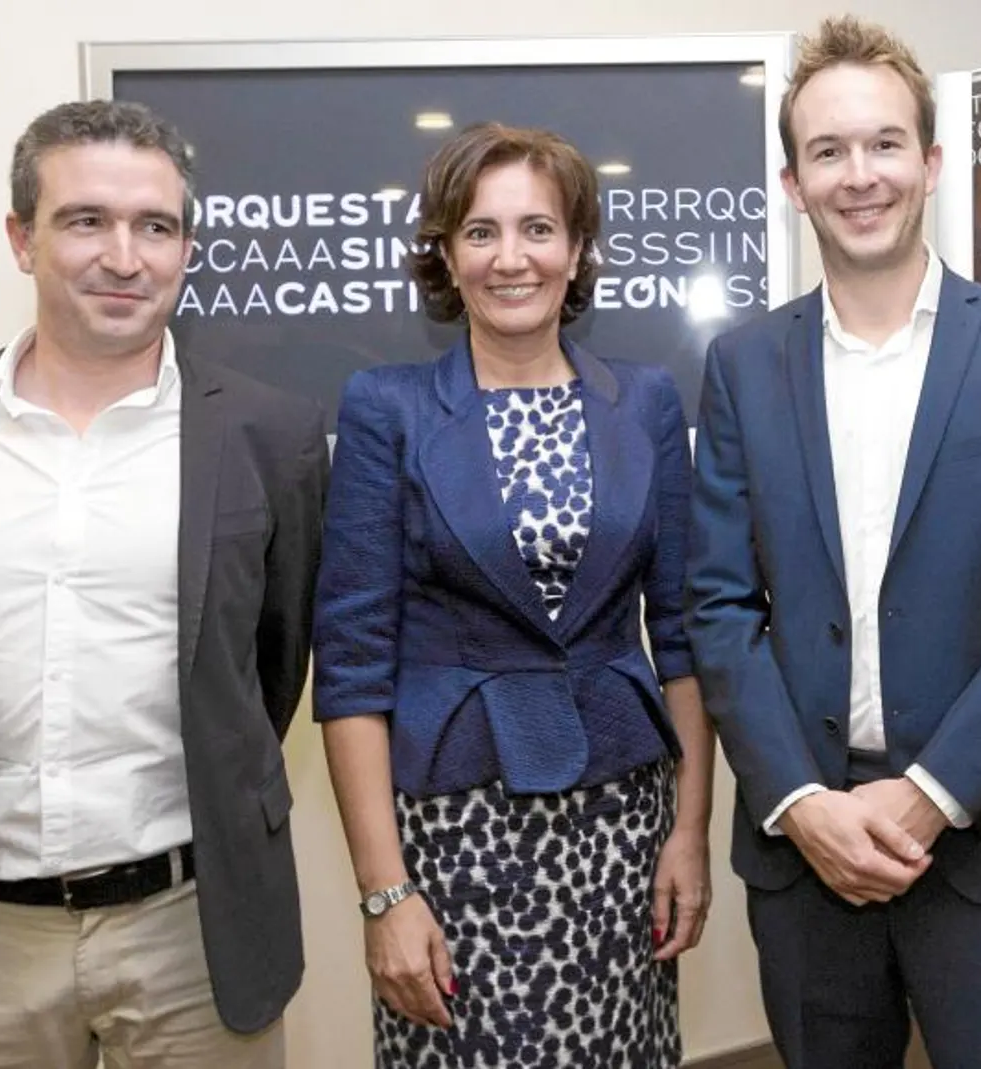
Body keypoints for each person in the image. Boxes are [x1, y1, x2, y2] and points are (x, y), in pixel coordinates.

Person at [684, 17, 981, 1068]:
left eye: (884, 143)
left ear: (930, 163)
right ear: (793, 184)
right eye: (827, 151)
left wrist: (927, 798)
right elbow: (719, 607)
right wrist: (799, 803)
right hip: (807, 859)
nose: (859, 175)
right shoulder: (743, 367)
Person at [0, 99, 326, 1068]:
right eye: (86, 221)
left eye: (157, 226)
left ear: (187, 246)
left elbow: (265, 672)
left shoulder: (270, 434)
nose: (126, 256)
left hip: (195, 931)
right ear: (22, 239)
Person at [312, 121, 714, 1068]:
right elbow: (353, 668)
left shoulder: (647, 401)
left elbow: (686, 637)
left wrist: (688, 833)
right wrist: (384, 893)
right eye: (480, 232)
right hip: (455, 835)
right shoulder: (389, 407)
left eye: (538, 229)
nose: (511, 258)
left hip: (624, 827)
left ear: (577, 251)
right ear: (446, 256)